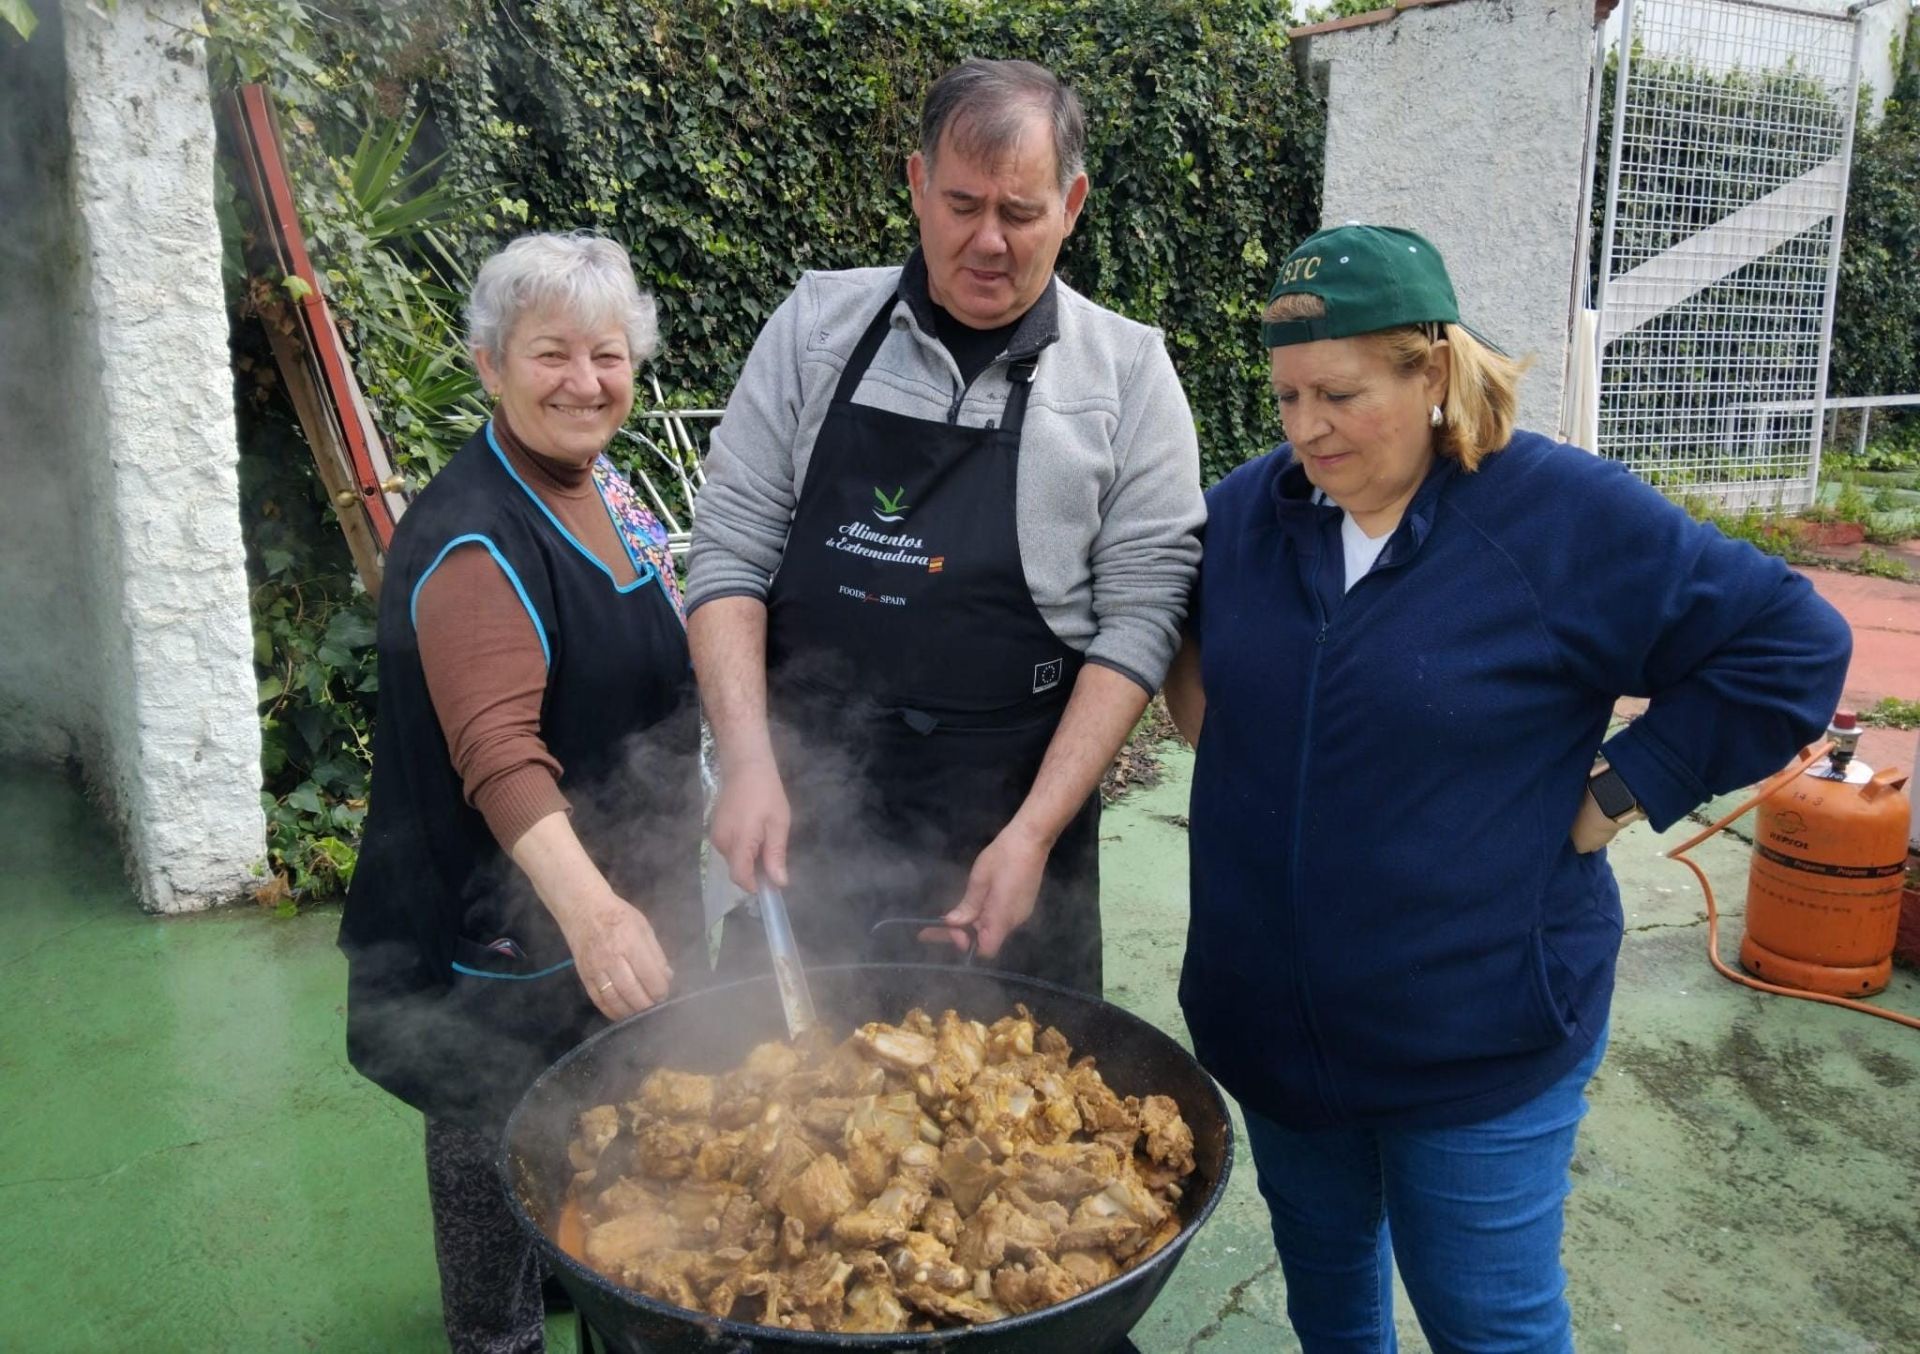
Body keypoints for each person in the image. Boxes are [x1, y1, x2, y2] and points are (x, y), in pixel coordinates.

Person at [1163, 223, 1851, 1352]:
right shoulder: (1249, 513)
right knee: (1329, 1300)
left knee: (1489, 1325)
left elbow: (1790, 644)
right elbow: (1167, 619)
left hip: (1475, 1036)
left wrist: (1622, 790)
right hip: (1273, 1030)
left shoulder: (1557, 515)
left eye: (1337, 394)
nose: (1305, 432)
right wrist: (1225, 736)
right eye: (1284, 397)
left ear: (1430, 369)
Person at [687, 58, 1205, 994]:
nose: (989, 241)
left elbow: (1141, 614)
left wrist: (1035, 833)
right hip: (806, 821)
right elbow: (731, 550)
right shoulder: (815, 329)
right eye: (963, 205)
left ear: (1073, 203)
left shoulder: (1128, 375)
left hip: (1010, 834)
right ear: (918, 185)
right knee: (782, 1108)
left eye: (1021, 212)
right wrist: (749, 764)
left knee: (1022, 1119)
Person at [338, 232, 702, 1353]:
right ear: (491, 364)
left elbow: (670, 629)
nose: (585, 382)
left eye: (608, 354)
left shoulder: (613, 486)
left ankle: (586, 1278)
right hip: (499, 924)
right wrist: (592, 911)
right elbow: (497, 752)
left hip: (627, 898)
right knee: (494, 1149)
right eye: (552, 354)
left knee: (612, 1174)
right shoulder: (472, 544)